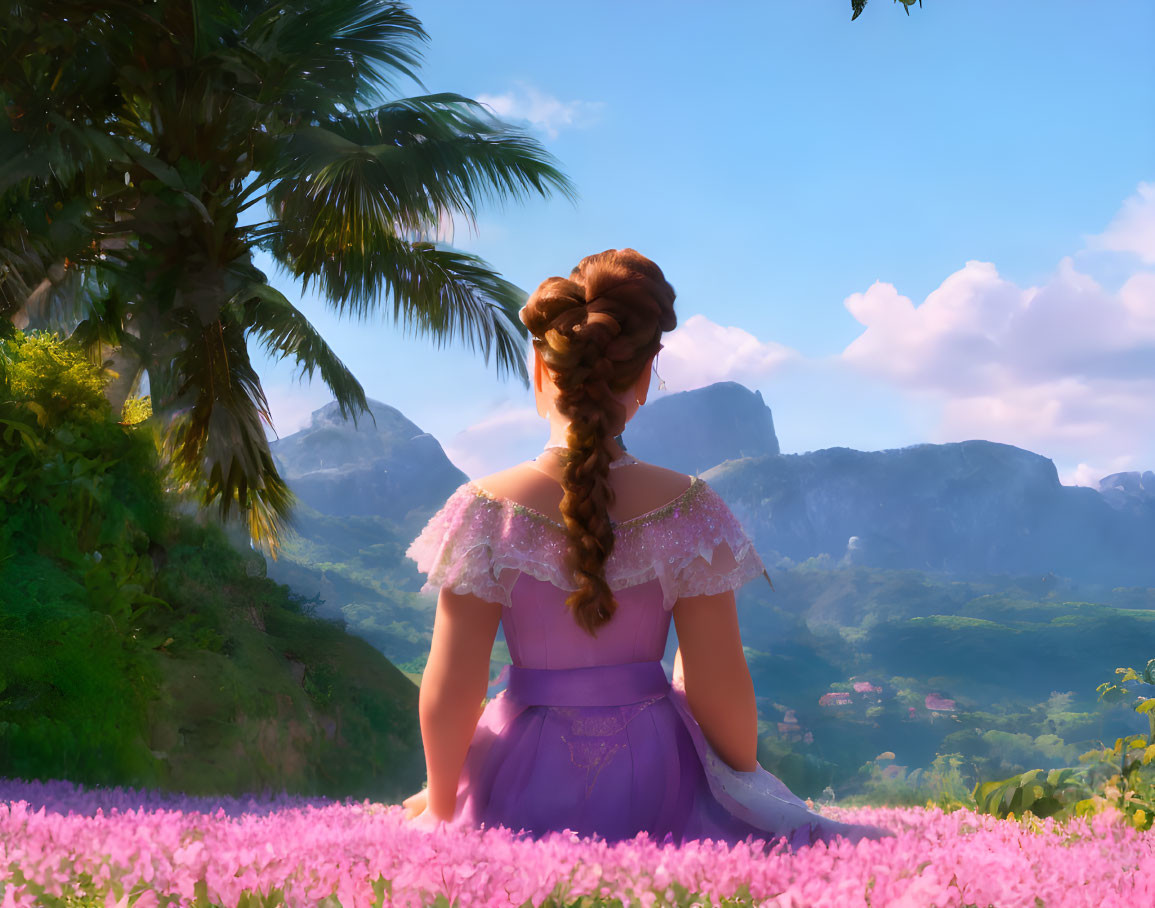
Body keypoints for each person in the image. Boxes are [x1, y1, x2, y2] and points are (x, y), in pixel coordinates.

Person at [401, 249, 892, 849]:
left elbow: (454, 679)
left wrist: (443, 800)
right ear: (646, 372)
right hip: (658, 770)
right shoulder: (688, 506)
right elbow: (719, 679)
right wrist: (741, 779)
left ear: (540, 365)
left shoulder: (484, 508)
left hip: (517, 773)